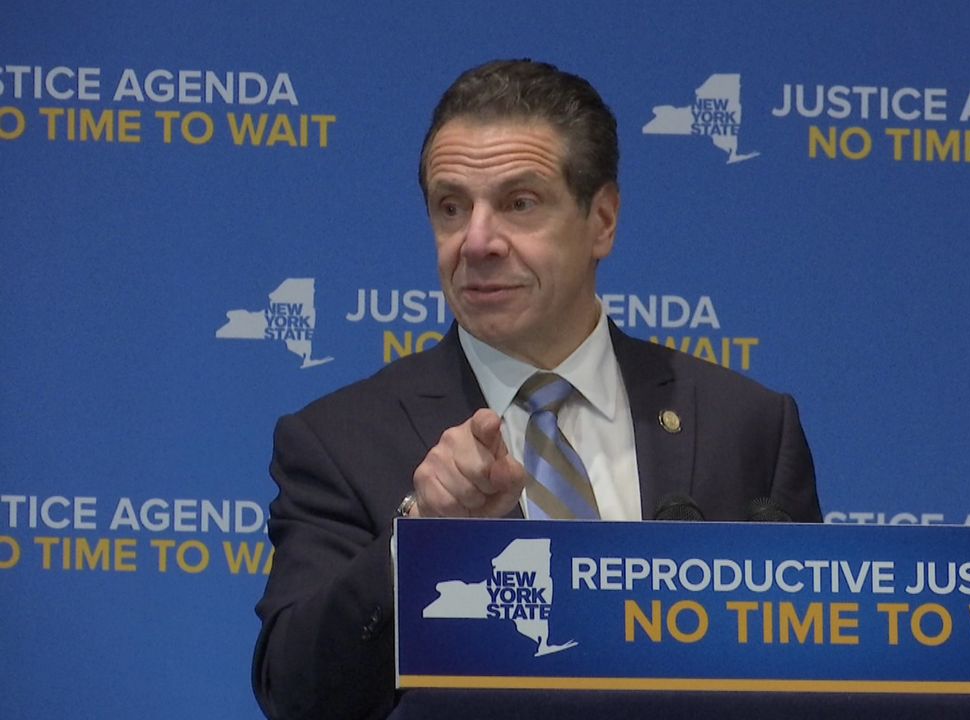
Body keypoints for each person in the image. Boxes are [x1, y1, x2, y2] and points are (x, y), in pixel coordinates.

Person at [251, 59, 821, 720]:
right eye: (451, 207)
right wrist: (421, 538)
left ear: (602, 220)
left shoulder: (745, 425)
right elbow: (298, 696)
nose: (477, 241)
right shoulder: (341, 440)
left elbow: (815, 680)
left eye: (519, 203)